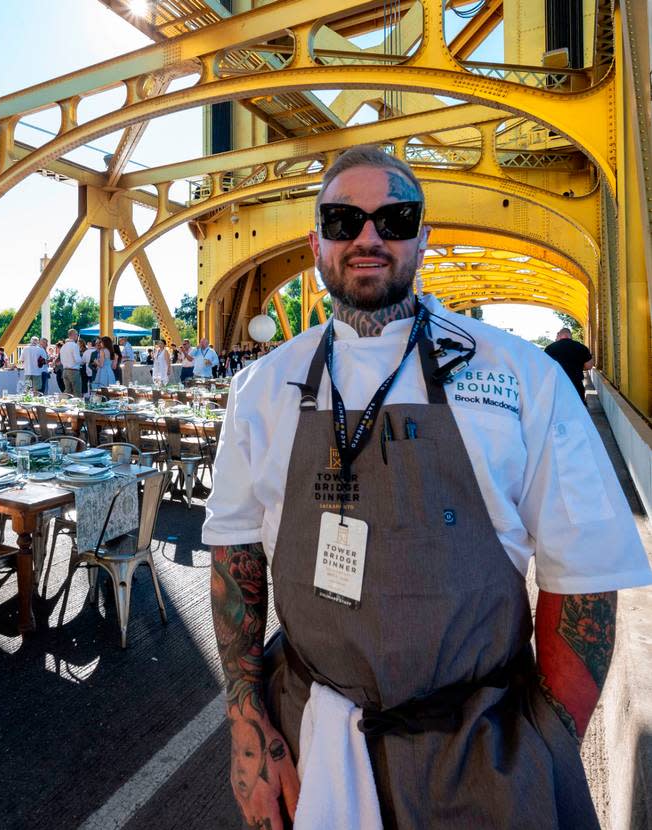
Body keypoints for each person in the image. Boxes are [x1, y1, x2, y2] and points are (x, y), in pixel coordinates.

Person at [205, 145, 651, 829]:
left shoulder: (519, 378)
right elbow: (235, 560)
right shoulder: (263, 390)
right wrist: (247, 724)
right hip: (309, 748)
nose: (368, 238)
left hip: (481, 758)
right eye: (343, 219)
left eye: (395, 219)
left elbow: (584, 574)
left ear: (424, 237)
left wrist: (546, 746)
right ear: (315, 240)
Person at [544, 327, 594, 405]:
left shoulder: (549, 348)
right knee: (577, 409)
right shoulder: (581, 347)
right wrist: (579, 367)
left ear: (559, 336)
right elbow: (589, 366)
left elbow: (545, 367)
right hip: (576, 386)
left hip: (557, 387)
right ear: (570, 336)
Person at [59, 329, 83, 395]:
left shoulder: (63, 346)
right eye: (77, 335)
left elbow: (61, 360)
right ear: (74, 335)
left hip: (65, 371)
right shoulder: (74, 346)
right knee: (77, 392)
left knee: (68, 392)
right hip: (73, 371)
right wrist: (83, 361)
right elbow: (77, 359)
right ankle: (77, 405)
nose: (77, 336)